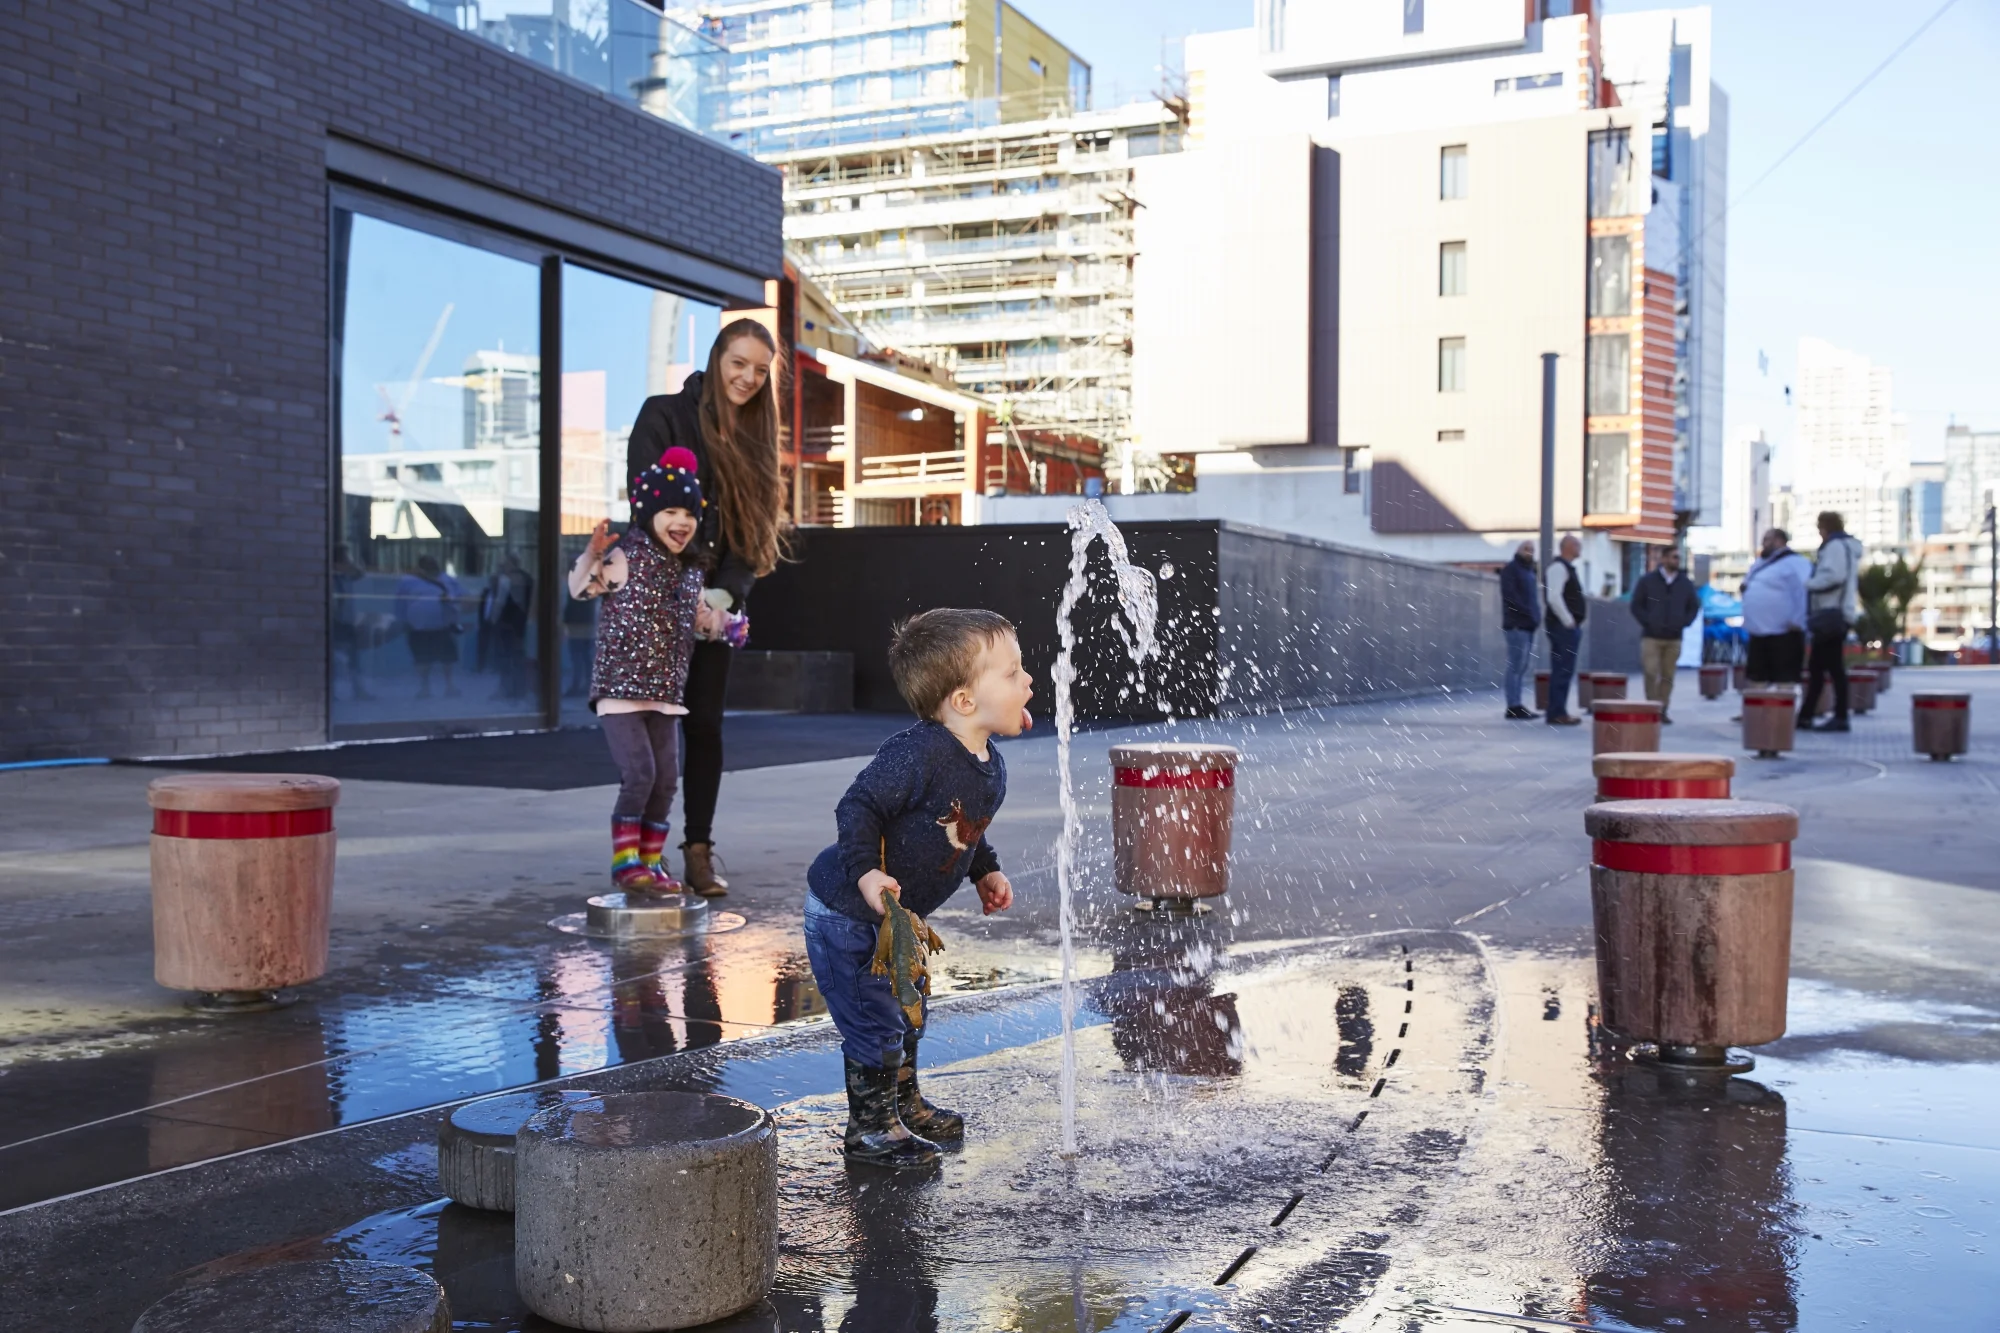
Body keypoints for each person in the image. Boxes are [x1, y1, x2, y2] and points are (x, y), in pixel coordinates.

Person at [802, 608, 1032, 1167]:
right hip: (847, 914)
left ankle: (903, 1105)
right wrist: (866, 873)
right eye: (1012, 672)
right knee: (875, 1022)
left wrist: (985, 870)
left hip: (895, 924)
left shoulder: (986, 760)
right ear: (964, 701)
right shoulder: (919, 752)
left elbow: (965, 830)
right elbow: (858, 805)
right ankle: (871, 1129)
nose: (1028, 681)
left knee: (908, 1013)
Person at [626, 319, 788, 897]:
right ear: (718, 357)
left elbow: (754, 534)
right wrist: (685, 586)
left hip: (715, 608)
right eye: (739, 362)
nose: (748, 377)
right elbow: (648, 503)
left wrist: (722, 594)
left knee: (707, 726)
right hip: (656, 601)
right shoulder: (663, 414)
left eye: (760, 369)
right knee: (648, 730)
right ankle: (638, 856)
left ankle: (698, 849)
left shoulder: (756, 437)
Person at [569, 447, 709, 896]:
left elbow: (703, 619)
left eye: (688, 512)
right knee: (640, 775)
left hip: (665, 694)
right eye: (670, 510)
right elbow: (579, 590)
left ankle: (651, 863)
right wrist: (591, 555)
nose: (681, 522)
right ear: (647, 513)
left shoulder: (690, 571)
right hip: (620, 691)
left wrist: (729, 623)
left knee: (667, 779)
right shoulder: (626, 557)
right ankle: (625, 863)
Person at [1801, 510, 1864, 732]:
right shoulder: (1845, 547)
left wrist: (1809, 584)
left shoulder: (1836, 547)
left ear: (1825, 527)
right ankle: (1808, 715)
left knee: (1829, 668)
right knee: (1820, 667)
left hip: (1831, 613)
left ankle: (1837, 716)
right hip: (1838, 614)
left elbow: (1833, 576)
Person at [1629, 547, 1701, 722]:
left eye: (1679, 557)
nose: (1677, 561)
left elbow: (1694, 605)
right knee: (1651, 672)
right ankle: (1651, 708)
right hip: (1651, 637)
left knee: (1668, 675)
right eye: (1674, 557)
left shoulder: (1685, 583)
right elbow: (1636, 605)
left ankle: (1663, 709)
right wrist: (1648, 621)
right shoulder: (1648, 581)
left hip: (1674, 637)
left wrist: (1684, 622)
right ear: (1664, 559)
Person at [1741, 528, 1810, 685]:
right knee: (1756, 678)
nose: (1763, 544)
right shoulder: (1759, 563)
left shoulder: (1796, 563)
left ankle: (1782, 710)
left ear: (1780, 541)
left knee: (1784, 679)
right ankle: (1758, 710)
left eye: (1767, 540)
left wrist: (1798, 620)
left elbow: (1803, 591)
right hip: (1758, 632)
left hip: (1784, 633)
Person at [396, 555, 463, 699]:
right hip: (418, 627)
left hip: (441, 626)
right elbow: (401, 602)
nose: (432, 567)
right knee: (422, 659)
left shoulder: (446, 579)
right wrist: (402, 621)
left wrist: (454, 616)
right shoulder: (408, 581)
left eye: (433, 564)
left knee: (447, 658)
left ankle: (449, 686)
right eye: (428, 564)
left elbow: (457, 598)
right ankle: (425, 688)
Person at [1543, 533, 1586, 726]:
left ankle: (1558, 710)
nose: (1580, 548)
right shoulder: (1558, 568)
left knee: (1564, 669)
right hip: (1563, 627)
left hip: (1566, 626)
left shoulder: (1566, 568)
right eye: (1577, 544)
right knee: (1562, 669)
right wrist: (1568, 620)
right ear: (1567, 547)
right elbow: (1554, 597)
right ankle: (1557, 712)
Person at [1500, 541, 1541, 720]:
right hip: (1517, 625)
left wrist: (1535, 616)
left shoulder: (1529, 571)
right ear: (1517, 550)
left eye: (1532, 550)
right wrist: (1527, 613)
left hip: (1528, 625)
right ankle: (1513, 705)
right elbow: (1510, 596)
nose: (1529, 553)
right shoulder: (1512, 570)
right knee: (1515, 666)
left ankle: (1516, 702)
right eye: (1526, 549)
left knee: (1522, 666)